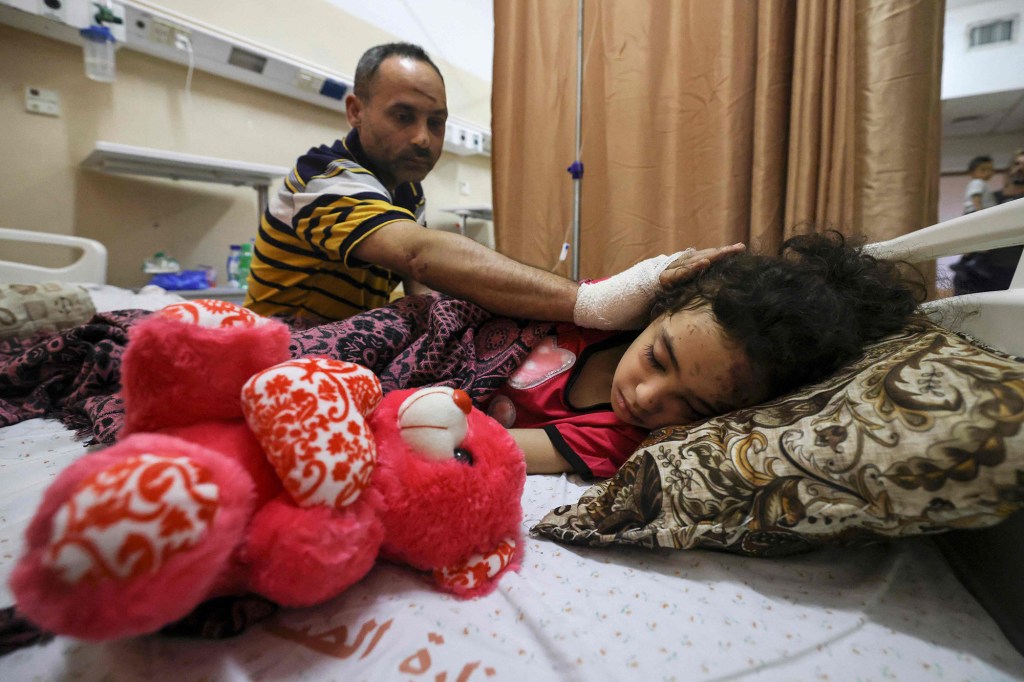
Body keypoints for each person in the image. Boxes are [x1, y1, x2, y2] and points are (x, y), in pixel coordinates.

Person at [245, 42, 736, 328]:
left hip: (345, 352)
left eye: (436, 122)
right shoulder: (324, 179)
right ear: (356, 110)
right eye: (403, 116)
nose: (423, 138)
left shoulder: (404, 191)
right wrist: (592, 303)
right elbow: (418, 254)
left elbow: (422, 289)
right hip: (280, 355)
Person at [494, 232, 926, 477]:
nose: (647, 397)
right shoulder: (607, 311)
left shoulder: (619, 439)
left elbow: (496, 447)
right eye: (657, 359)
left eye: (692, 406)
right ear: (658, 309)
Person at [952, 149, 1024, 294]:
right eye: (1017, 163)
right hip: (973, 273)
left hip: (1011, 275)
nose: (1020, 168)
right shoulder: (990, 198)